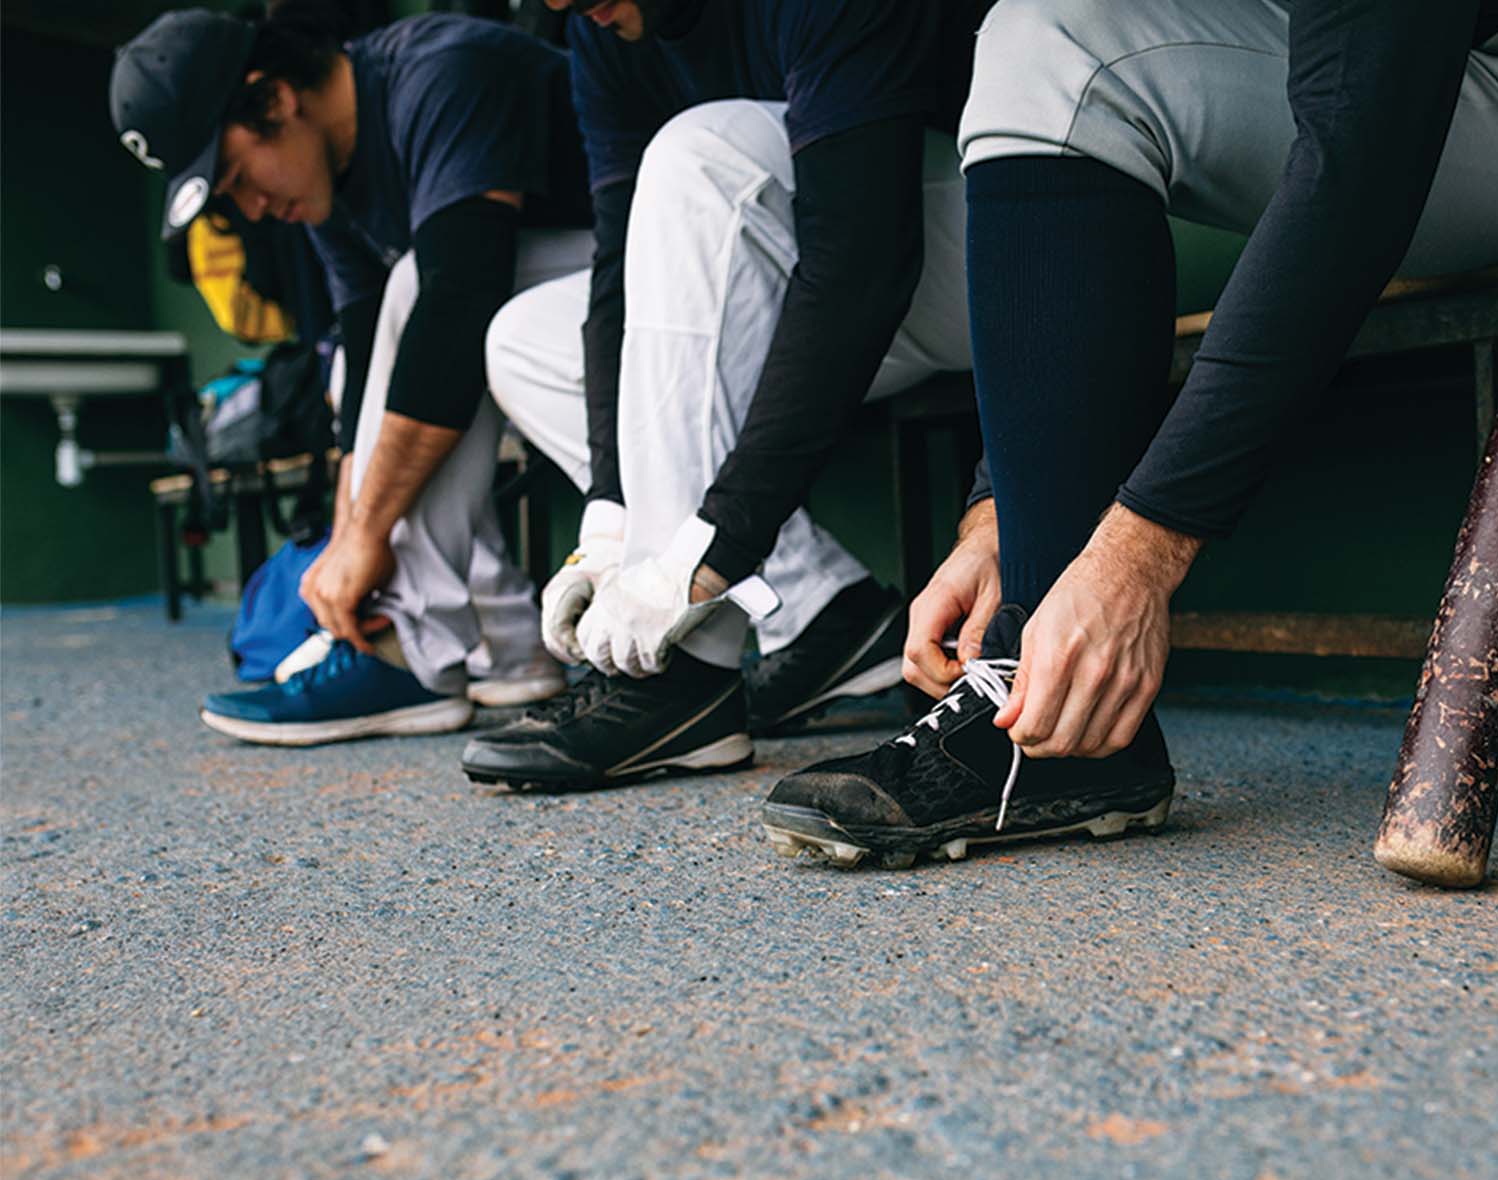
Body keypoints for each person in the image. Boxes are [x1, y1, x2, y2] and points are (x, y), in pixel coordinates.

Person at [761, 0, 1498, 998]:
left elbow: (1361, 142)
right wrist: (1008, 515)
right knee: (1049, 40)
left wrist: (1140, 548)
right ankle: (1058, 718)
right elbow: (1358, 109)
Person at [460, 0, 991, 790]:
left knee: (698, 152)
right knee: (525, 338)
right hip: (828, 290)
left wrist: (719, 546)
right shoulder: (599, 28)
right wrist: (611, 520)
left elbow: (863, 261)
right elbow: (618, 279)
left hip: (1000, 252)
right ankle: (820, 614)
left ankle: (680, 679)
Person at [113, 3, 595, 745]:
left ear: (273, 97)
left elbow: (457, 303)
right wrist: (346, 536)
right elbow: (371, 357)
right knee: (385, 332)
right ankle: (425, 643)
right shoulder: (324, 179)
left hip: (674, 271)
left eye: (236, 175)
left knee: (424, 294)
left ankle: (414, 647)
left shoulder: (440, 69)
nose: (251, 207)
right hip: (562, 311)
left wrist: (369, 531)